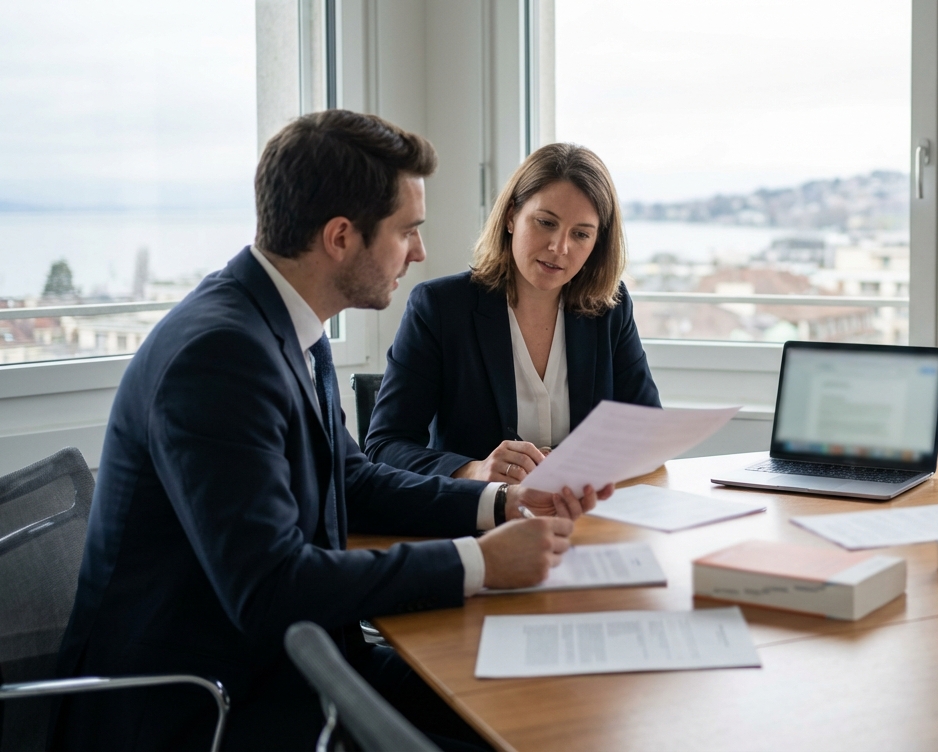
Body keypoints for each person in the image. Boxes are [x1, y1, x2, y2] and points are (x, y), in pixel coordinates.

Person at [54, 110, 611, 751]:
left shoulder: (287, 323)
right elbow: (271, 589)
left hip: (296, 663)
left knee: (536, 707)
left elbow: (347, 477)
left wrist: (498, 503)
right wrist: (480, 561)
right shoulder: (219, 357)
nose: (421, 252)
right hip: (204, 704)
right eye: (407, 231)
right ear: (342, 237)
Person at [364, 143, 660, 484]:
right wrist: (472, 469)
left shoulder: (611, 306)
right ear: (510, 217)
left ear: (597, 243)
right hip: (479, 519)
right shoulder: (440, 307)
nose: (559, 247)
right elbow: (385, 446)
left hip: (586, 514)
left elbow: (647, 431)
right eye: (546, 222)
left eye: (580, 234)